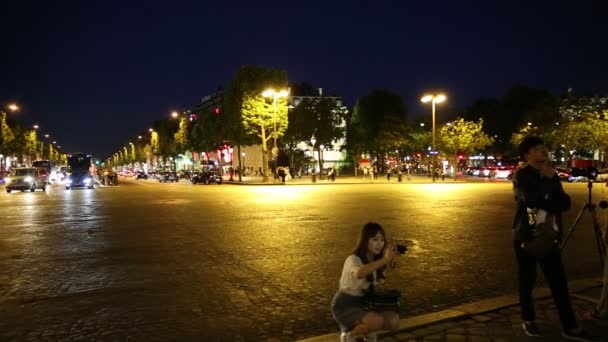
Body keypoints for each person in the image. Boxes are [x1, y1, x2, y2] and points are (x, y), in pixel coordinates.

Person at [512, 136, 599, 341]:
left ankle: (570, 326)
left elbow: (565, 203)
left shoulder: (552, 174)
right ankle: (528, 319)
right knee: (527, 280)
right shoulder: (522, 175)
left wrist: (547, 192)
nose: (543, 151)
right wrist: (545, 181)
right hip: (527, 235)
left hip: (549, 235)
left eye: (544, 147)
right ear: (527, 155)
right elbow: (529, 201)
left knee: (559, 282)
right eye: (537, 148)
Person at [331, 222, 400, 342]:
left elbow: (376, 281)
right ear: (365, 241)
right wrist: (385, 259)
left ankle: (365, 330)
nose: (379, 244)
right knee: (376, 321)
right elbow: (359, 273)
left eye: (382, 240)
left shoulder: (376, 260)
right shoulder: (353, 259)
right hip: (344, 305)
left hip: (365, 302)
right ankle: (348, 335)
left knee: (393, 321)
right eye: (375, 239)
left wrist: (390, 262)